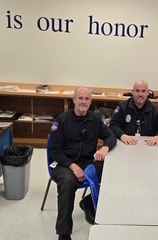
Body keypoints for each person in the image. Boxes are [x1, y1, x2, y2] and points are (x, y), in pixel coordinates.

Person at [49, 87, 117, 240]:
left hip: (87, 162)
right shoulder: (62, 120)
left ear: (90, 102)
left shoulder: (95, 119)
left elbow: (111, 137)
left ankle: (90, 204)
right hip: (64, 163)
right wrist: (73, 166)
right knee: (67, 183)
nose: (83, 102)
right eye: (80, 98)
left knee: (114, 170)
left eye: (87, 99)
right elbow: (54, 150)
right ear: (74, 100)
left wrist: (105, 147)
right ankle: (64, 233)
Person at [109, 80, 158, 145]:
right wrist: (122, 135)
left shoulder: (155, 110)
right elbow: (113, 125)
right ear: (133, 92)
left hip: (148, 145)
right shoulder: (122, 107)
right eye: (137, 91)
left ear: (147, 93)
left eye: (143, 91)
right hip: (126, 144)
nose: (140, 94)